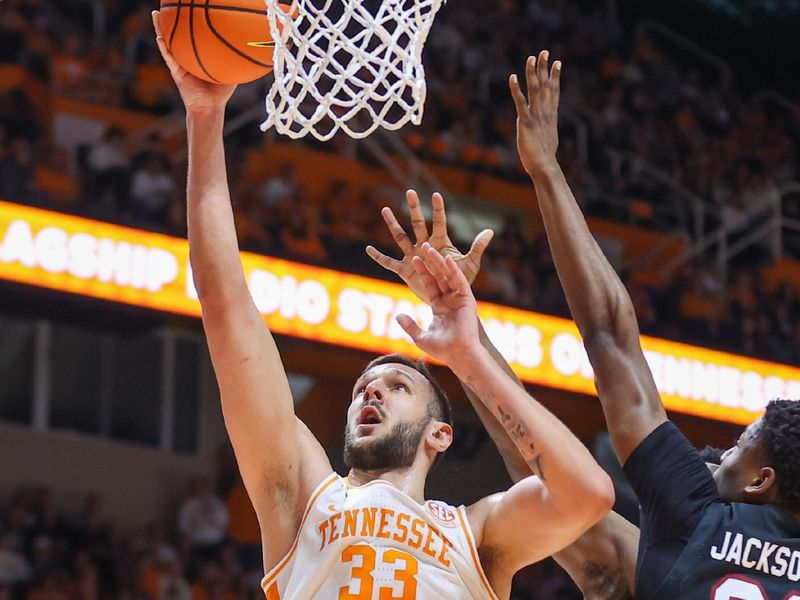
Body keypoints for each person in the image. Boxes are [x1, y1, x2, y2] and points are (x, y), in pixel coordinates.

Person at [152, 12, 615, 600]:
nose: (369, 391)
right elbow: (223, 301)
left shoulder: (476, 535)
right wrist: (204, 116)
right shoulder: (303, 497)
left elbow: (590, 495)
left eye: (397, 386)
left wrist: (469, 355)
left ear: (440, 436)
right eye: (364, 389)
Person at [508, 50, 800, 599]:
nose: (714, 456)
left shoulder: (698, 516)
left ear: (763, 482)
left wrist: (546, 170)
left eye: (739, 447)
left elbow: (609, 334)